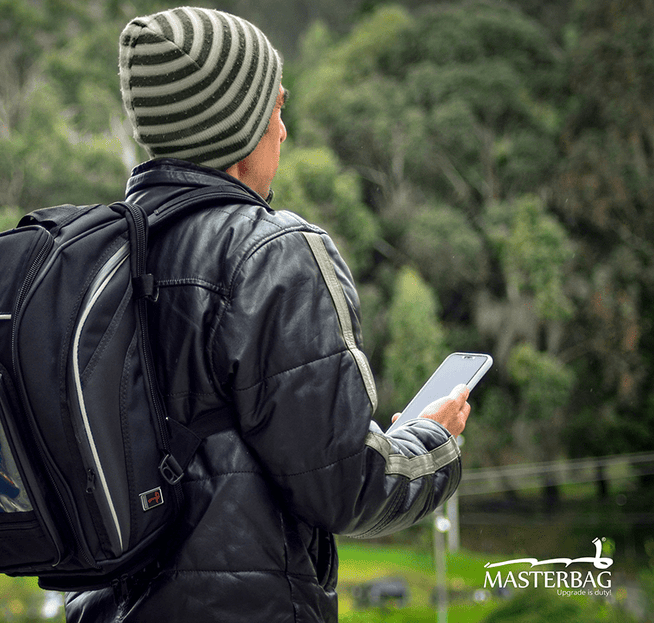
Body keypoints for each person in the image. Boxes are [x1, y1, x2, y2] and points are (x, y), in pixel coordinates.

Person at [65, 7, 469, 622]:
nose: (283, 130)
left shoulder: (90, 257)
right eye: (276, 108)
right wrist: (434, 440)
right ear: (237, 128)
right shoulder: (271, 253)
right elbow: (348, 487)